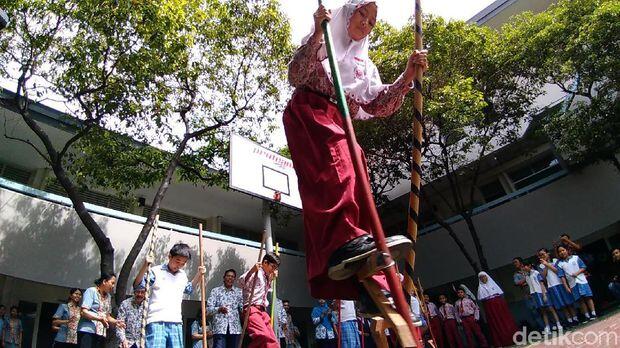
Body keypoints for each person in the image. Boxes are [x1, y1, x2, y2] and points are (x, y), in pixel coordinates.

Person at [283, 0, 428, 301]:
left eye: (373, 21)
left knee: (358, 174)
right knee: (340, 173)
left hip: (340, 120)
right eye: (364, 14)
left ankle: (364, 280)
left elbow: (377, 105)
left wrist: (406, 77)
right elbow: (296, 76)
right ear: (348, 13)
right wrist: (315, 38)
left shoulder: (365, 67)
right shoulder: (321, 40)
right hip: (311, 113)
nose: (367, 23)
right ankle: (344, 241)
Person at [133, 243, 206, 348]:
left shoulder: (182, 275)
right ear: (169, 256)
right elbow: (137, 285)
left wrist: (199, 274)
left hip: (175, 321)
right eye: (177, 261)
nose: (179, 265)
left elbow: (189, 289)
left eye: (183, 263)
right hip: (156, 320)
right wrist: (145, 264)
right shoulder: (156, 271)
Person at [237, 252, 281, 348]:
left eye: (275, 268)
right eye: (272, 267)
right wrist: (252, 271)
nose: (273, 270)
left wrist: (271, 279)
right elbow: (240, 282)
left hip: (262, 311)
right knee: (263, 336)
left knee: (273, 342)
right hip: (252, 309)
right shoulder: (256, 273)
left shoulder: (266, 277)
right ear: (265, 262)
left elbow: (264, 291)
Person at [78, 273, 125, 348]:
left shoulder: (108, 297)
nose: (113, 286)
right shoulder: (91, 291)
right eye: (112, 283)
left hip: (101, 333)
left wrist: (116, 322)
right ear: (104, 281)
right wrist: (99, 319)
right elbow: (83, 312)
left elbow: (107, 316)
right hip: (87, 330)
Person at [555, 245, 597, 322]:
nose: (562, 252)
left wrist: (577, 273)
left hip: (582, 280)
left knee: (588, 297)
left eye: (563, 250)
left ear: (567, 250)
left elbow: (583, 267)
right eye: (559, 251)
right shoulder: (559, 264)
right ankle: (587, 316)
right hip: (572, 284)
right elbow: (562, 277)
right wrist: (566, 287)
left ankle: (593, 313)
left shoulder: (576, 258)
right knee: (580, 300)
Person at [537, 248, 577, 326]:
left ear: (548, 253)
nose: (542, 256)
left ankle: (575, 318)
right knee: (562, 305)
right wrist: (545, 265)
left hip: (561, 283)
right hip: (552, 286)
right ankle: (569, 321)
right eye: (540, 255)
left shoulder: (555, 261)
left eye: (543, 254)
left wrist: (548, 264)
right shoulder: (541, 265)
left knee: (569, 303)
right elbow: (543, 277)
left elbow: (558, 272)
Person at [477, 272, 518, 347]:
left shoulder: (493, 285)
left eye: (484, 277)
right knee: (496, 322)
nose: (483, 278)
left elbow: (500, 294)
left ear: (487, 277)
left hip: (499, 305)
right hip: (490, 307)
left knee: (505, 320)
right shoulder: (480, 289)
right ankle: (502, 341)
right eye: (481, 277)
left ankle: (512, 338)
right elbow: (482, 300)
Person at [206, 269, 242, 348]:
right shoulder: (215, 291)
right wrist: (218, 309)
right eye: (228, 276)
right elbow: (208, 310)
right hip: (220, 328)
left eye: (232, 277)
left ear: (234, 279)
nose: (230, 278)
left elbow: (243, 309)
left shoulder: (239, 292)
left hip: (235, 329)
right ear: (224, 278)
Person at [522, 263, 562, 334]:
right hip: (535, 294)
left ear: (529, 266)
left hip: (541, 292)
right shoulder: (527, 277)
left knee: (551, 309)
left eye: (524, 266)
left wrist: (544, 295)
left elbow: (541, 284)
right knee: (543, 311)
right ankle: (547, 328)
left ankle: (558, 324)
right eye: (522, 267)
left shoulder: (536, 273)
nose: (524, 268)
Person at [512, 257, 544, 330]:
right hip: (527, 294)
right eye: (514, 263)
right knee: (534, 312)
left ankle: (550, 326)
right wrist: (526, 278)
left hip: (537, 291)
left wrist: (524, 279)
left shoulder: (530, 269)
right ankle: (542, 328)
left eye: (516, 262)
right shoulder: (516, 274)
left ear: (521, 262)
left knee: (543, 309)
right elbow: (517, 282)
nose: (515, 264)